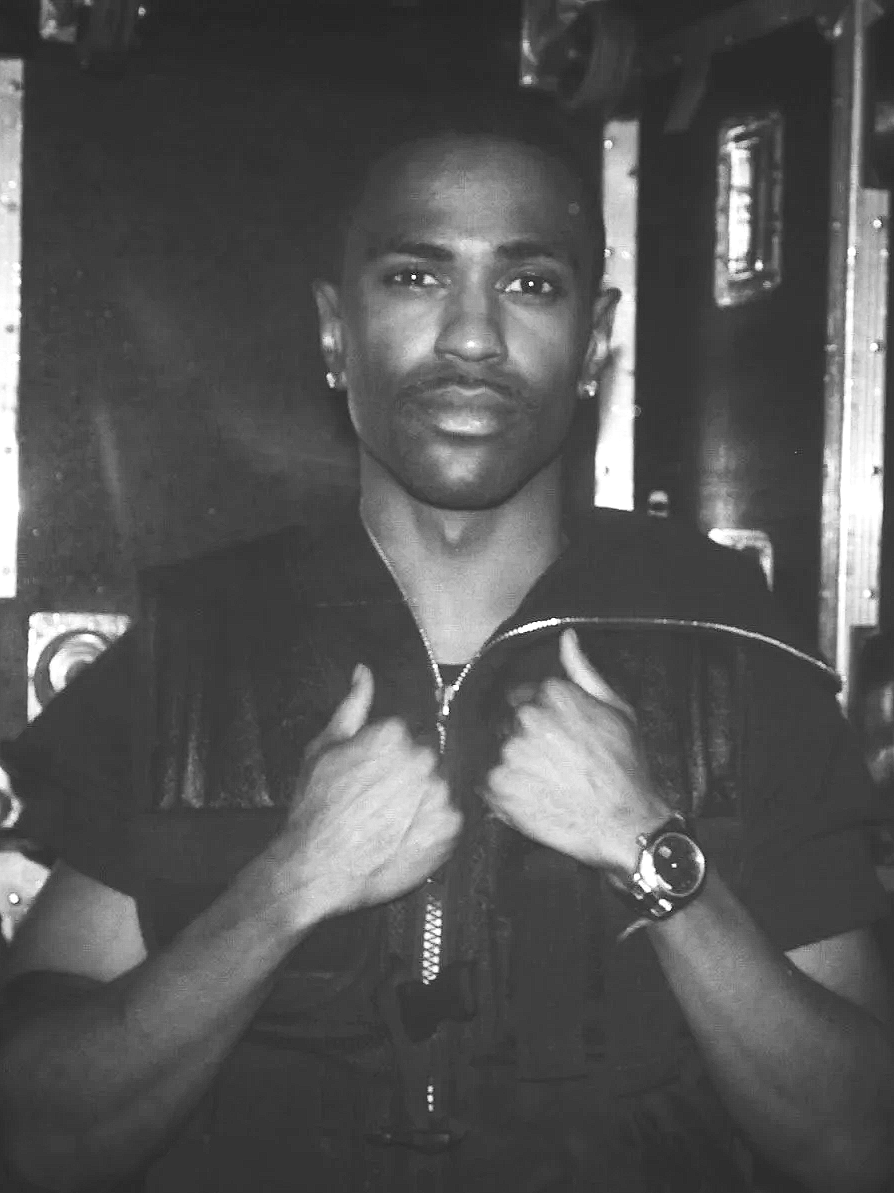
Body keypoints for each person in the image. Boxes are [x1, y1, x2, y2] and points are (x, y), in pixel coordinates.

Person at [0, 80, 893, 1193]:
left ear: (593, 340)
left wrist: (650, 846)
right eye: (417, 276)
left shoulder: (733, 646)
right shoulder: (199, 650)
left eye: (528, 282)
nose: (472, 335)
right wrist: (289, 883)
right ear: (337, 327)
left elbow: (863, 1144)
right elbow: (34, 1138)